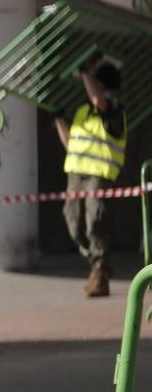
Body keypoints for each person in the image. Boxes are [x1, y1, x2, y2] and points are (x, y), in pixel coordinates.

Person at [55, 60, 127, 297]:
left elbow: (99, 100)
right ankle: (98, 265)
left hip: (98, 174)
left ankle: (100, 269)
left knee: (95, 221)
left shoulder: (114, 110)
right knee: (73, 222)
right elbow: (70, 144)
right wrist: (58, 121)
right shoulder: (83, 112)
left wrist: (85, 72)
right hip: (76, 174)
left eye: (94, 83)